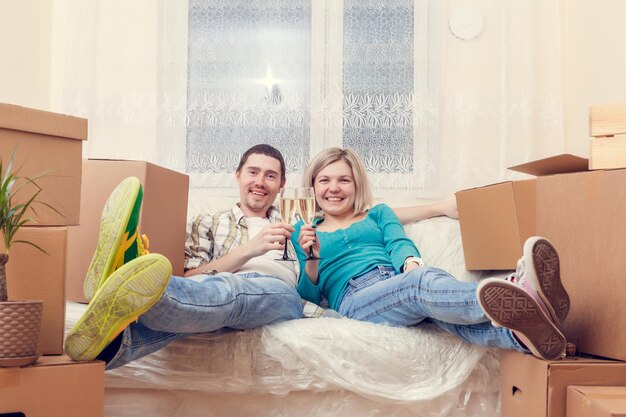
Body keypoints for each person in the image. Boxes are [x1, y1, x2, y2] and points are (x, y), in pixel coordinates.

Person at [294, 147, 571, 360]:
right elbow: (307, 297)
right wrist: (313, 259)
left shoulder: (378, 213)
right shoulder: (303, 229)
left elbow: (398, 244)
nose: (334, 188)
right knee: (420, 286)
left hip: (394, 281)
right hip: (355, 300)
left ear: (356, 185)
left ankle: (525, 335)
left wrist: (411, 265)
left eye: (344, 180)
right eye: (325, 180)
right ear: (313, 186)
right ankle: (520, 290)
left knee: (443, 315)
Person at [65, 144, 318, 368]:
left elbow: (307, 290)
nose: (260, 181)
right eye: (253, 172)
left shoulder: (294, 225)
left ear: (282, 184)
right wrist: (250, 249)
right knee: (213, 299)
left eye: (270, 176)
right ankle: (112, 346)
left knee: (231, 290)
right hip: (214, 291)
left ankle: (139, 289)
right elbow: (190, 277)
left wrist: (312, 259)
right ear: (238, 175)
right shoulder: (207, 222)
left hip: (278, 295)